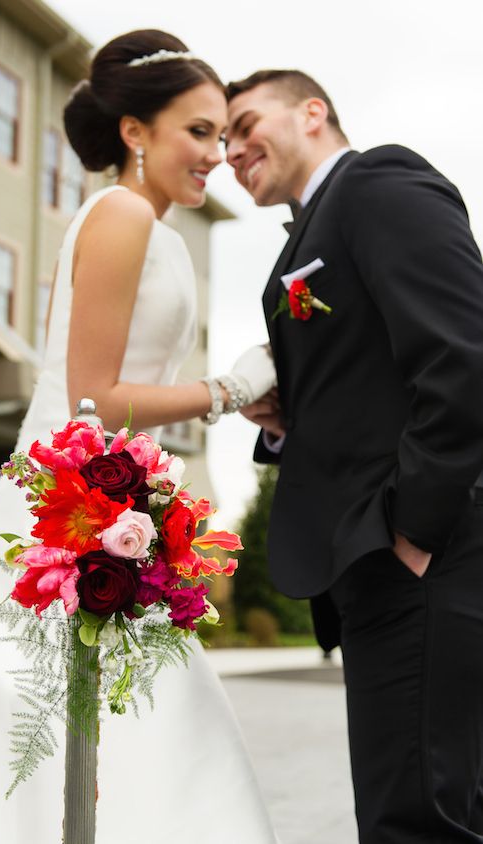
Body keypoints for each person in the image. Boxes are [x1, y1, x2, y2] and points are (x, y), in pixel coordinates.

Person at [0, 32, 278, 844]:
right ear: (135, 133)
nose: (215, 155)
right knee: (53, 717)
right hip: (58, 513)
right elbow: (92, 399)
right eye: (198, 132)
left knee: (120, 713)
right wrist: (234, 388)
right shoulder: (120, 214)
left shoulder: (161, 231)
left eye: (221, 137)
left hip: (110, 506)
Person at [225, 68, 483, 842]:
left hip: (422, 558)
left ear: (313, 113)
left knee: (417, 821)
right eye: (224, 137)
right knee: (435, 806)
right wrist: (278, 421)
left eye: (245, 124)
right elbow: (362, 388)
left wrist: (413, 532)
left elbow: (466, 357)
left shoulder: (378, 183)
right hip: (376, 565)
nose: (233, 148)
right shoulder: (309, 233)